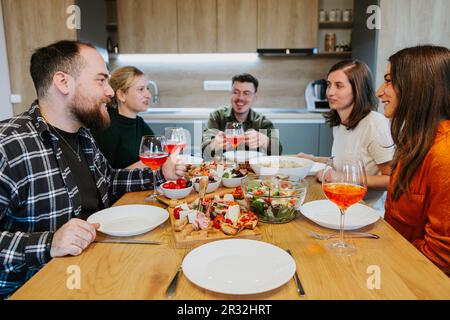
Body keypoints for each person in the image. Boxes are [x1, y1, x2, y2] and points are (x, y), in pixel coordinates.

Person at [0, 40, 185, 298]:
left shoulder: (83, 135)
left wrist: (159, 174)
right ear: (63, 82)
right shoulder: (9, 144)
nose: (110, 91)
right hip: (40, 286)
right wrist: (49, 242)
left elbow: (108, 182)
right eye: (101, 81)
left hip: (96, 266)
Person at [376, 45, 450, 275]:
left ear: (418, 86)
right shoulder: (415, 142)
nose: (380, 92)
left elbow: (440, 257)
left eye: (389, 81)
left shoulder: (444, 156)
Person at [298, 60, 394, 212]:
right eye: (329, 85)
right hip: (340, 202)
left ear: (358, 89)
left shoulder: (374, 124)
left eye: (339, 85)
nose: (330, 92)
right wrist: (314, 160)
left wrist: (341, 177)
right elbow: (345, 161)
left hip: (366, 209)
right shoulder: (340, 122)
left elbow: (391, 180)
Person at [202, 73, 282, 159]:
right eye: (236, 92)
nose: (240, 98)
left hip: (251, 170)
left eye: (246, 93)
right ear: (230, 94)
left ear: (255, 97)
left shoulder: (262, 121)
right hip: (222, 168)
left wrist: (265, 141)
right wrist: (214, 144)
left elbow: (278, 150)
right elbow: (204, 150)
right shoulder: (216, 116)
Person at [92, 66, 155, 169]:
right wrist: (145, 164)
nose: (148, 95)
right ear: (121, 95)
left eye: (147, 88)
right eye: (141, 89)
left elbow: (157, 151)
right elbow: (103, 177)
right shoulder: (106, 126)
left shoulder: (139, 122)